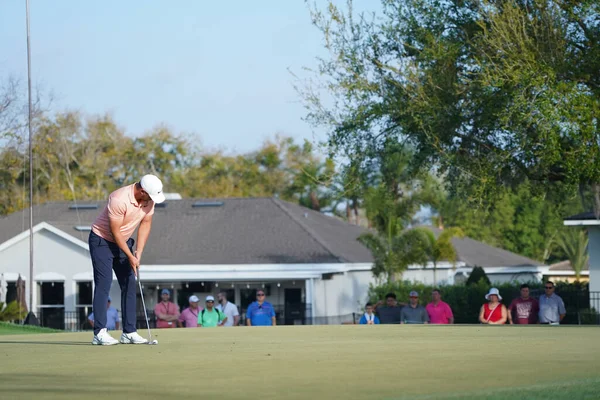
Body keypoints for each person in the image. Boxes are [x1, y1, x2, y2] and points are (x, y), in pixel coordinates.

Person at [89, 174, 165, 345]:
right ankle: (99, 333)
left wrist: (138, 252)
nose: (151, 201)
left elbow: (145, 224)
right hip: (102, 241)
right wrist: (130, 256)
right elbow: (115, 232)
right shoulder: (118, 199)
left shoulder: (149, 200)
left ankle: (129, 332)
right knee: (104, 283)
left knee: (130, 282)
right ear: (142, 191)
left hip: (123, 241)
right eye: (150, 196)